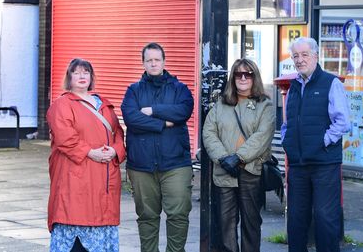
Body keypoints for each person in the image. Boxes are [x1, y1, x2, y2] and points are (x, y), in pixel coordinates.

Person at [47, 58, 126, 252]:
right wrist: (90, 152)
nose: (82, 76)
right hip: (76, 178)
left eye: (86, 72)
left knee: (101, 222)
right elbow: (65, 137)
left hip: (103, 180)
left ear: (91, 77)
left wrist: (115, 150)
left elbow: (118, 133)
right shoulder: (62, 105)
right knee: (74, 222)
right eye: (76, 72)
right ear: (69, 77)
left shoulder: (105, 106)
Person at [121, 42, 194, 252]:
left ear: (164, 61)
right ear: (143, 63)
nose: (153, 63)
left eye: (157, 59)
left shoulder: (179, 89)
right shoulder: (133, 91)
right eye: (149, 60)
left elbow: (183, 111)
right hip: (141, 166)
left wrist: (152, 110)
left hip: (175, 164)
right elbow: (131, 117)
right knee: (147, 217)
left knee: (178, 215)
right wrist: (163, 124)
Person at [281, 37, 349, 252]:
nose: (300, 60)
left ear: (316, 56)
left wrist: (323, 141)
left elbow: (343, 121)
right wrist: (288, 142)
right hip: (298, 164)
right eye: (295, 56)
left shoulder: (331, 83)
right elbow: (288, 122)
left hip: (324, 163)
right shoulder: (293, 86)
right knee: (296, 219)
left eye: (304, 55)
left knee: (325, 218)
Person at [202, 58, 275, 252]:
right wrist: (224, 158)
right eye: (238, 74)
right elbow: (209, 132)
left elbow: (262, 136)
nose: (243, 78)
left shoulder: (265, 105)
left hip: (250, 172)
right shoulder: (221, 104)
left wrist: (238, 157)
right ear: (233, 77)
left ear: (254, 77)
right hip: (224, 172)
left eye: (248, 74)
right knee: (226, 224)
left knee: (251, 224)